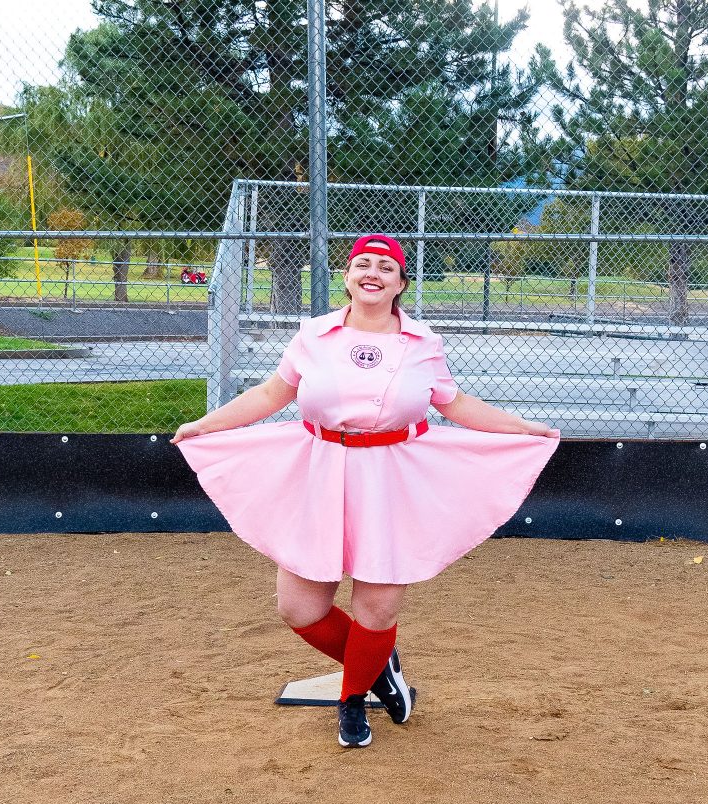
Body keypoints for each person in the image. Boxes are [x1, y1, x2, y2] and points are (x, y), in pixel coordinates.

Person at [172, 234, 559, 748]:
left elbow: (457, 404)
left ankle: (353, 701)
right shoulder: (314, 335)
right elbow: (271, 394)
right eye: (362, 264)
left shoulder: (422, 344)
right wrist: (206, 424)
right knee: (299, 607)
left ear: (400, 283)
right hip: (319, 471)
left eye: (385, 266)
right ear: (348, 276)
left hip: (392, 477)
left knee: (378, 607)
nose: (372, 273)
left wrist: (521, 428)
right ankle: (380, 667)